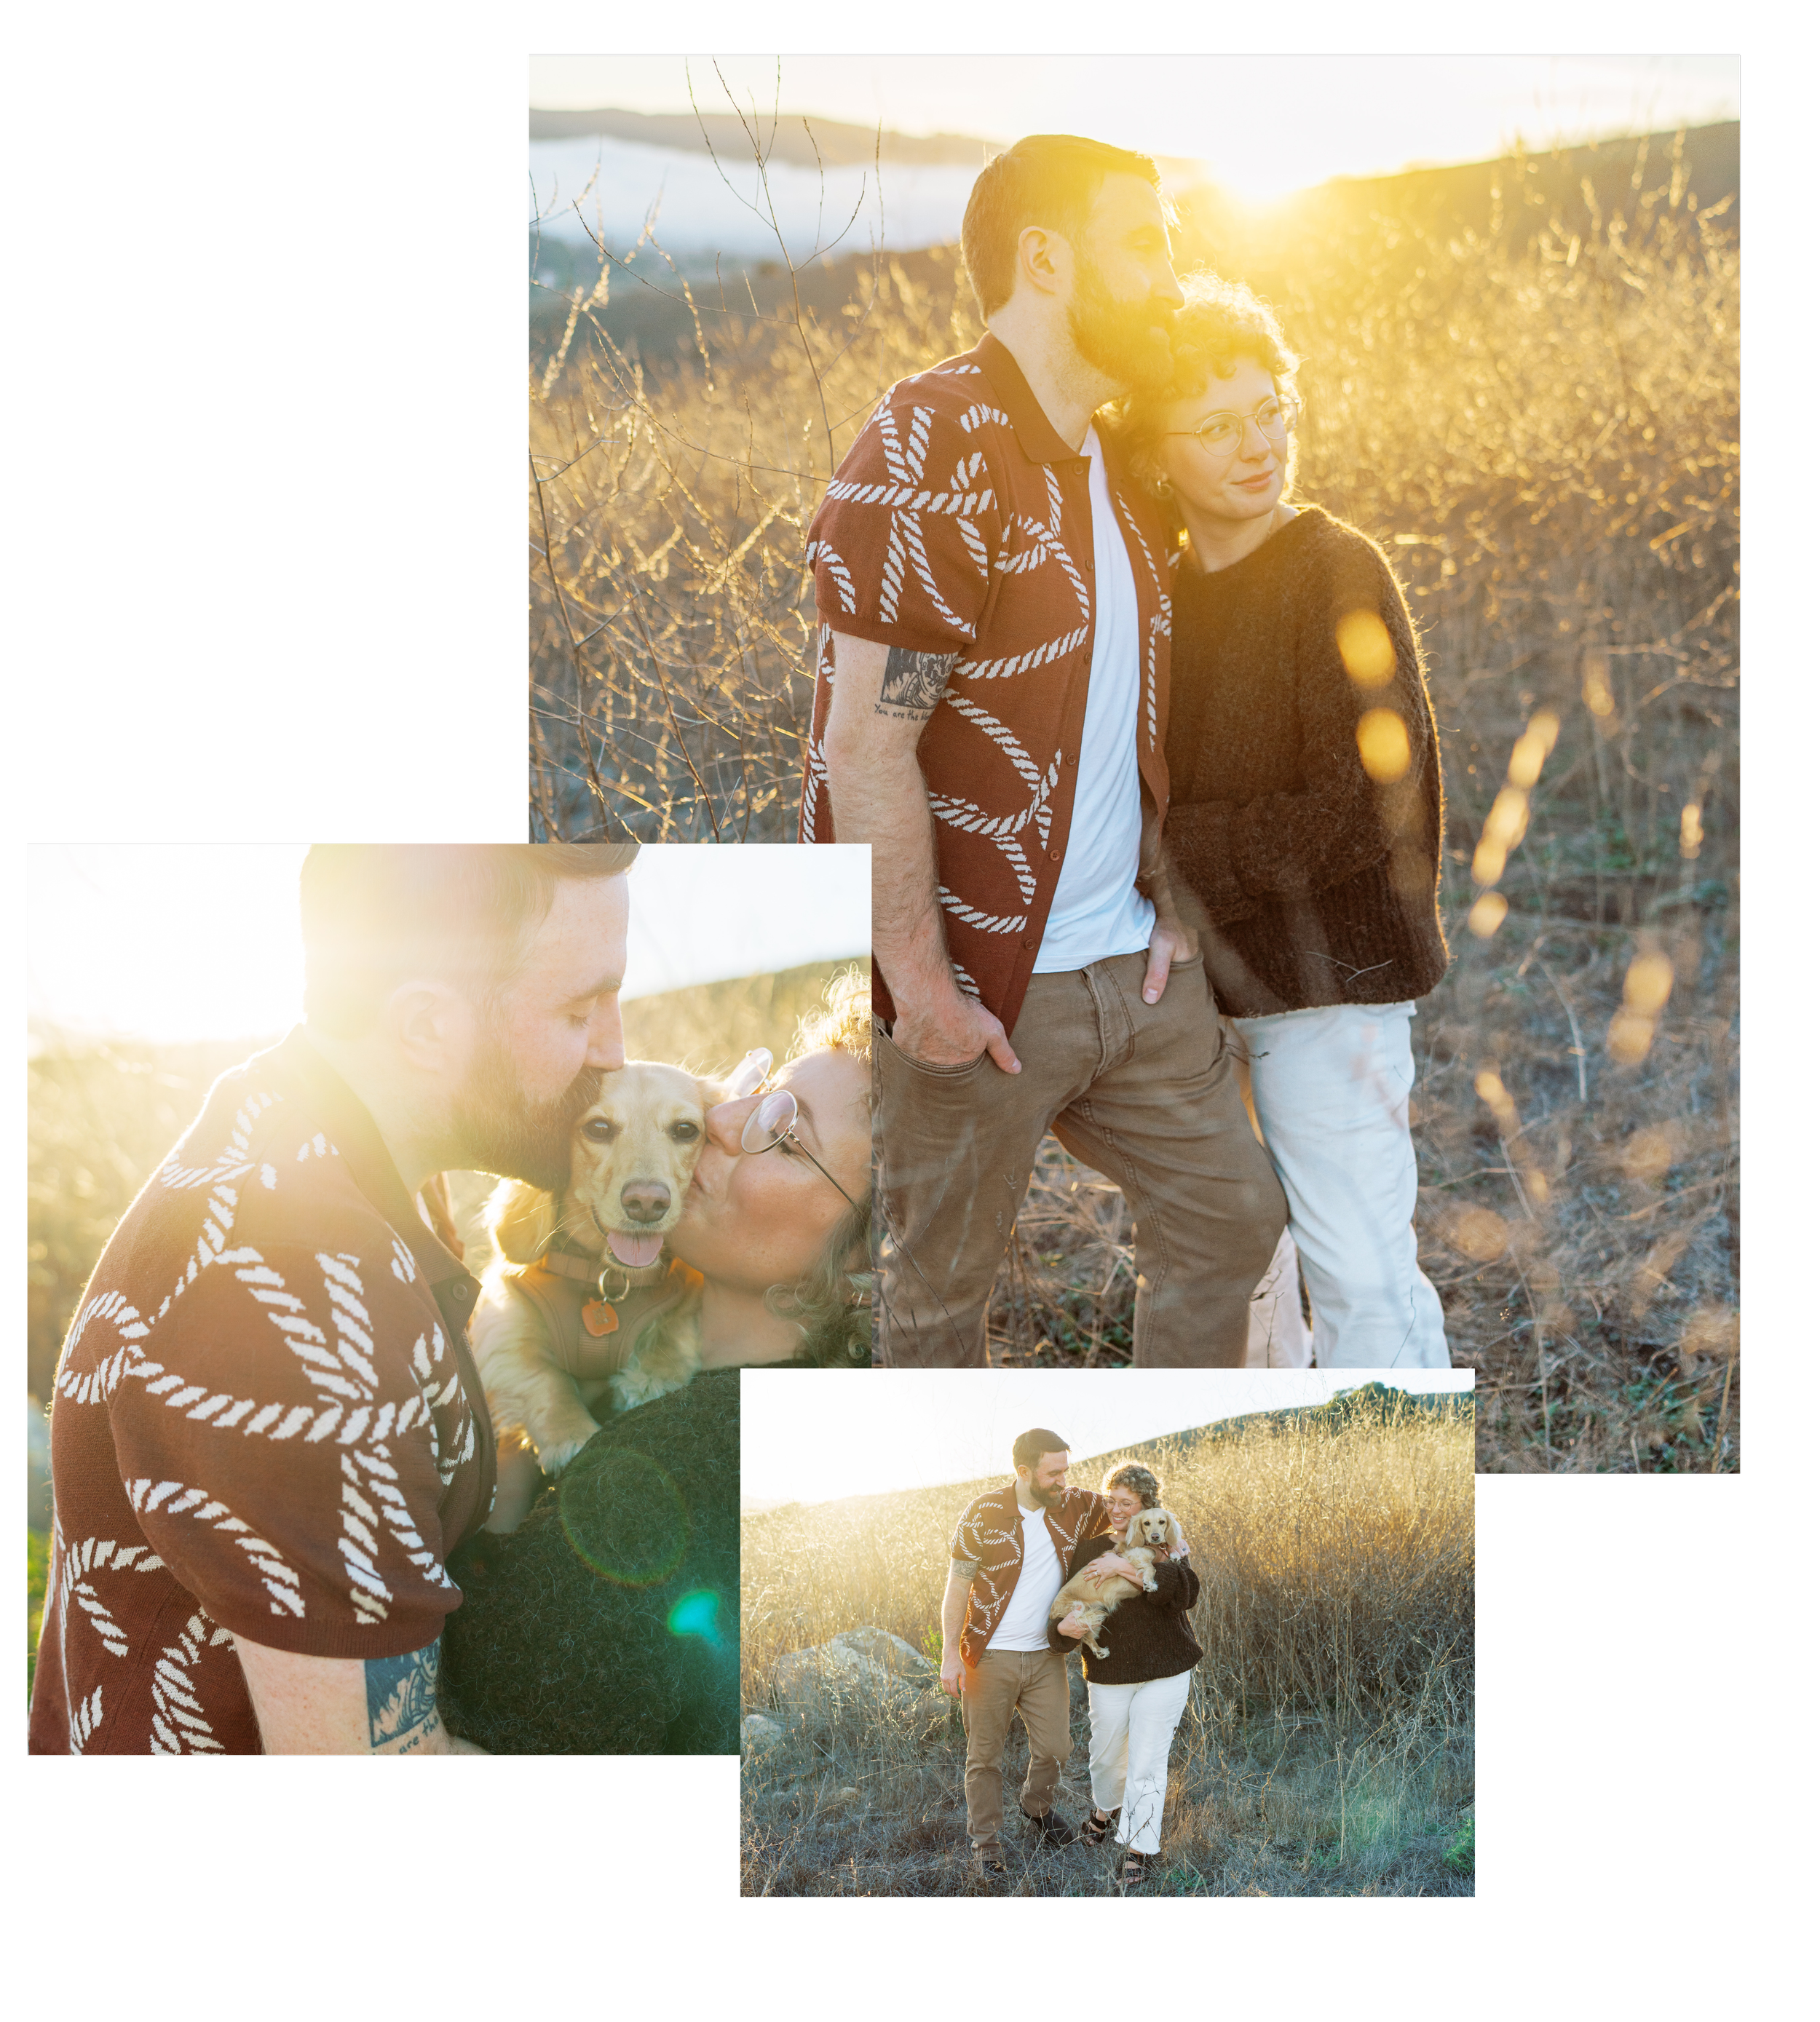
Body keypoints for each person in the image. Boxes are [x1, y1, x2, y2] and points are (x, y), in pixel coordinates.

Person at [803, 132, 1286, 1368]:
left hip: (1135, 975)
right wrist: (922, 990)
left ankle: (1140, 1503)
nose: (1171, 276)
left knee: (1232, 1219)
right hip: (979, 997)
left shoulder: (1118, 463)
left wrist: (1167, 894)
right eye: (1146, 244)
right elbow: (865, 745)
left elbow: (1140, 709)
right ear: (1045, 258)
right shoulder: (933, 443)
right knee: (932, 1309)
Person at [29, 842, 641, 1755]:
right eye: (578, 1008)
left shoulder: (327, 1140)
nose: (616, 1049)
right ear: (427, 1027)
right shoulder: (292, 1290)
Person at [1117, 273, 1452, 1368]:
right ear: (1161, 452)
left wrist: (1177, 860)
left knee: (1358, 1271)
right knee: (1253, 1295)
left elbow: (1375, 803)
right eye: (1217, 425)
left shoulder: (1332, 568)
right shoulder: (1158, 596)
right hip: (1204, 1003)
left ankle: (1408, 1527)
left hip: (1332, 996)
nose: (1259, 444)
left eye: (1272, 409)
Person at [479, 966, 875, 1534]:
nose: (720, 1121)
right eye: (758, 1095)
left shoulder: (721, 1450)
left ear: (864, 1262)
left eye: (785, 1136)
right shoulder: (566, 1272)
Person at [941, 1429, 1112, 1879]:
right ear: (1023, 1472)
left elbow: (1126, 1504)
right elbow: (957, 1586)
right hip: (989, 1658)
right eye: (1054, 1473)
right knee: (984, 1757)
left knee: (1057, 1747)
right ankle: (988, 1844)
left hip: (1045, 1656)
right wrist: (949, 1656)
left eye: (1066, 1471)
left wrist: (1168, 1536)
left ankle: (1035, 1807)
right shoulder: (982, 1514)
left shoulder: (1074, 1504)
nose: (1064, 1481)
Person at [1048, 1461, 1201, 1888]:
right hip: (1109, 1671)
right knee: (1106, 1753)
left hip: (1166, 1668)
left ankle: (1138, 1848)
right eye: (1111, 1500)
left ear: (1146, 1507)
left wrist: (1125, 1568)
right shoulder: (1088, 1546)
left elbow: (1185, 1595)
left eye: (1126, 1503)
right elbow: (1063, 1601)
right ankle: (1105, 1808)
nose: (1116, 1509)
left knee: (1147, 1763)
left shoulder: (1165, 1541)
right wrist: (1061, 1631)